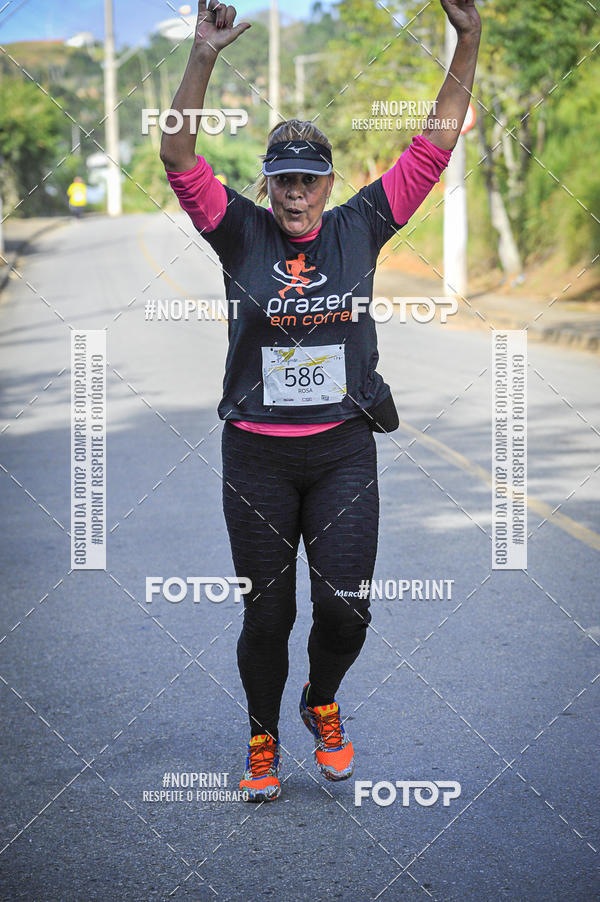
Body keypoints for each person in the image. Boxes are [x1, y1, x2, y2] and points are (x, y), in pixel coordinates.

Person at [160, 0, 481, 802]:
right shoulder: (238, 232)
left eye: (307, 181)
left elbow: (436, 142)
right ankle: (263, 736)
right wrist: (202, 54)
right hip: (258, 459)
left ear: (328, 183)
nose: (294, 195)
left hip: (341, 449)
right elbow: (175, 151)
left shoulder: (361, 224)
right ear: (265, 185)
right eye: (281, 182)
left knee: (345, 612)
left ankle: (322, 699)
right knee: (266, 618)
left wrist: (468, 36)